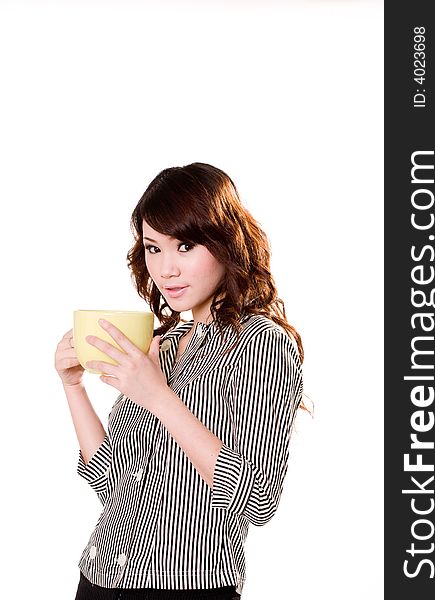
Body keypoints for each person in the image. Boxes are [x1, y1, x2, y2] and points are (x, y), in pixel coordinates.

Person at [54, 162, 305, 599]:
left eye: (184, 245)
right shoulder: (165, 342)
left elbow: (259, 499)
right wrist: (72, 386)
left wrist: (157, 395)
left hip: (186, 588)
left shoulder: (263, 341)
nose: (166, 268)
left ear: (226, 241)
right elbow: (109, 480)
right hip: (98, 578)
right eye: (153, 248)